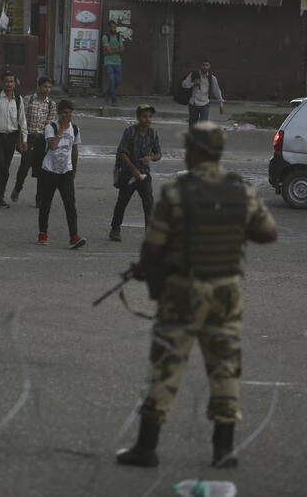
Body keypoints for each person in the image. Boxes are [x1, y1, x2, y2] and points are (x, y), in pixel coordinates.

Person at [116, 121, 277, 470]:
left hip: (183, 292)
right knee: (225, 368)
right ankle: (224, 450)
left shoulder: (177, 193)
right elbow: (267, 233)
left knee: (167, 365)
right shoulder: (242, 191)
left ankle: (147, 447)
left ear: (195, 151)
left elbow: (153, 247)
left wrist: (145, 267)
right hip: (226, 292)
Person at [109, 104, 162, 242]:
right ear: (138, 117)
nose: (148, 119)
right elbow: (122, 153)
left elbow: (159, 154)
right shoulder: (130, 132)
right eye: (145, 116)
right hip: (128, 174)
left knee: (149, 202)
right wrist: (134, 170)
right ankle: (115, 229)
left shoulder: (153, 133)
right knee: (122, 202)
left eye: (150, 116)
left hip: (144, 175)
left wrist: (150, 158)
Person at [37, 99, 86, 249]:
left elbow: (75, 150)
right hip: (49, 171)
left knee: (70, 204)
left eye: (70, 113)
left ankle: (74, 236)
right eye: (65, 113)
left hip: (66, 172)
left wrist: (74, 169)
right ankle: (43, 232)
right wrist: (61, 130)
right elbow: (52, 146)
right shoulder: (51, 127)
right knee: (46, 203)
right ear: (59, 114)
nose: (68, 116)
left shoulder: (75, 129)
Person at [0, 70, 27, 208]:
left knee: (6, 168)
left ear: (15, 83)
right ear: (2, 83)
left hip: (12, 138)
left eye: (11, 81)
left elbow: (22, 121)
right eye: (6, 81)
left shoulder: (18, 100)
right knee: (0, 164)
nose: (9, 84)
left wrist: (24, 139)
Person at [12, 76, 57, 206]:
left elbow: (50, 125)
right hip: (29, 137)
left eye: (49, 87)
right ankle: (17, 188)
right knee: (24, 166)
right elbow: (22, 121)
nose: (47, 90)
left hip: (42, 140)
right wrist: (20, 140)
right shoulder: (28, 99)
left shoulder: (51, 105)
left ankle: (39, 198)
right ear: (38, 86)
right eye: (45, 87)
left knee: (41, 170)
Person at [181, 59, 225, 128]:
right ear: (200, 66)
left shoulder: (212, 78)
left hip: (205, 104)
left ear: (209, 66)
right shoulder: (193, 74)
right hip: (193, 104)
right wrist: (194, 83)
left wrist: (221, 104)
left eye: (207, 65)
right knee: (193, 125)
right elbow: (184, 84)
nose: (205, 67)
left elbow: (217, 91)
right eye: (203, 65)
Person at [102, 19, 124, 106]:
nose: (114, 29)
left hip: (117, 62)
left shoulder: (119, 36)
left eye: (115, 27)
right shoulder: (105, 37)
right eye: (112, 27)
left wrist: (110, 51)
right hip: (108, 62)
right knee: (112, 80)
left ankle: (107, 93)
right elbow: (110, 51)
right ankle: (114, 100)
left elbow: (122, 49)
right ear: (109, 28)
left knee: (117, 81)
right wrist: (116, 50)